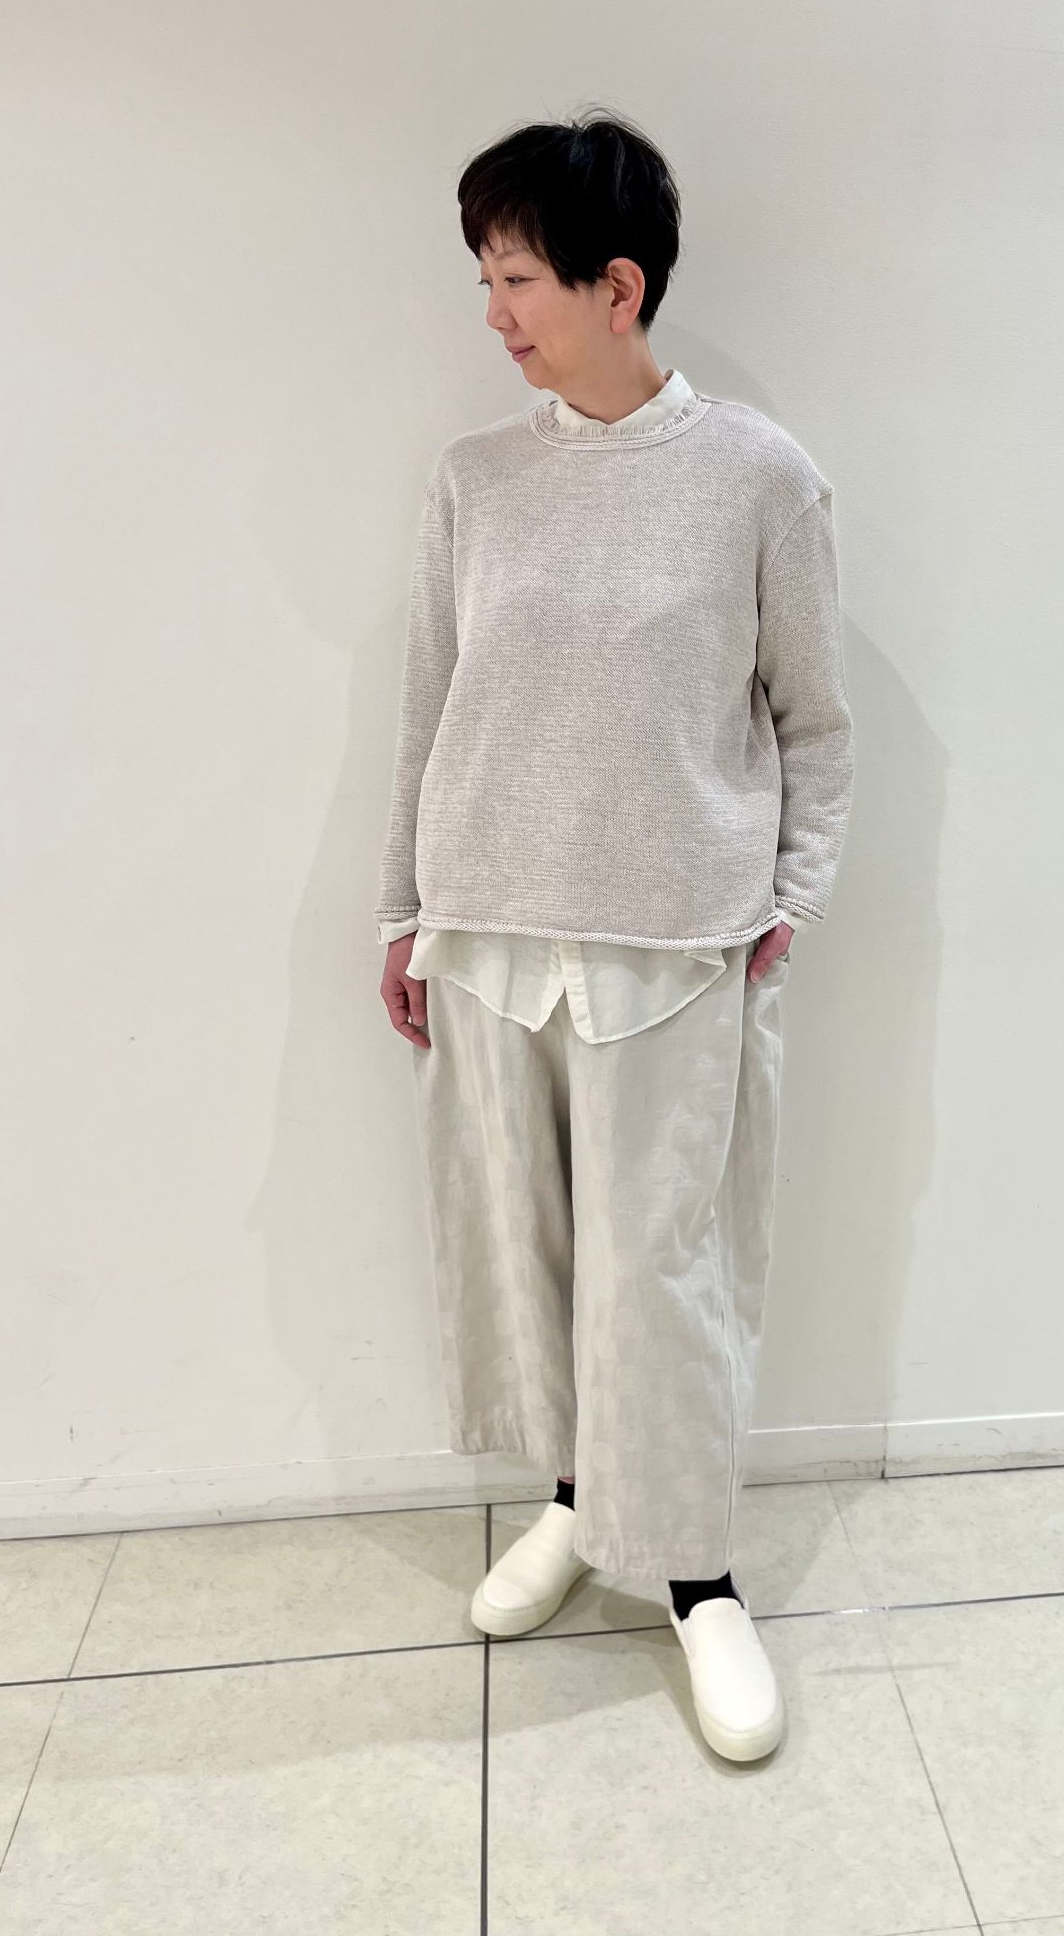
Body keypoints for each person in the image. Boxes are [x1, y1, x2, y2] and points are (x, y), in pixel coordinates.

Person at [375, 108, 854, 1760]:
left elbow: (817, 719)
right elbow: (431, 707)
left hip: (675, 939)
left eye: (516, 278)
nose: (493, 312)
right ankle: (580, 1504)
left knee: (665, 1268)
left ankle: (698, 1574)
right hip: (492, 932)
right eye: (487, 278)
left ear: (618, 286)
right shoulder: (476, 481)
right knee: (529, 1250)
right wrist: (404, 909)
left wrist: (791, 893)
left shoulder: (759, 478)